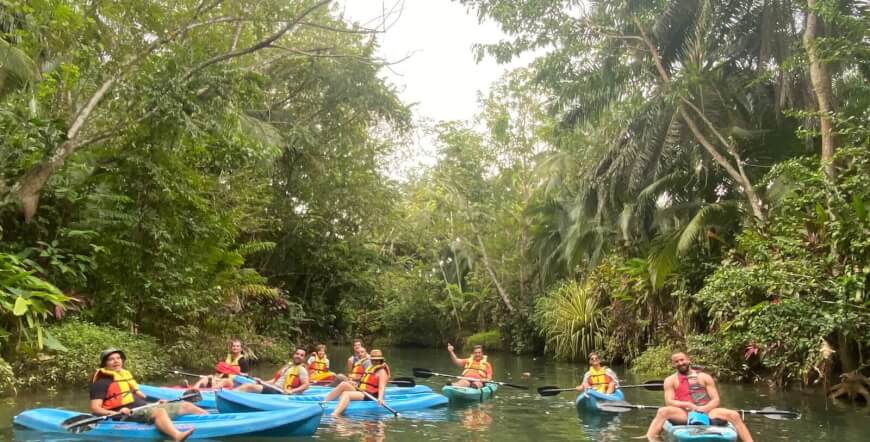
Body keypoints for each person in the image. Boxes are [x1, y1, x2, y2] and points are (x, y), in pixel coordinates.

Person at [90, 348, 207, 442]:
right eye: (111, 359)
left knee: (186, 405)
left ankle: (214, 419)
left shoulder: (123, 377)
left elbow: (138, 396)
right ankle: (177, 436)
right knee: (159, 412)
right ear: (105, 363)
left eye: (118, 358)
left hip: (143, 408)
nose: (116, 361)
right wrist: (116, 413)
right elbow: (95, 408)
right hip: (124, 414)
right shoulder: (101, 383)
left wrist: (156, 402)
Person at [646, 352, 754, 442]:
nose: (680, 363)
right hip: (684, 413)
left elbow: (716, 400)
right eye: (676, 362)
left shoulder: (704, 377)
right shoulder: (670, 380)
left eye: (682, 360)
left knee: (734, 415)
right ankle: (651, 437)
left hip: (707, 411)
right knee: (662, 411)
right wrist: (687, 405)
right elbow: (669, 402)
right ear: (673, 365)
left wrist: (704, 408)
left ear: (688, 360)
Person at [323, 349, 390, 416]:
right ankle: (324, 402)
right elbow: (365, 381)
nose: (375, 362)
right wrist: (356, 384)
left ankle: (335, 414)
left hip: (371, 395)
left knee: (346, 394)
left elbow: (382, 386)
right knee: (344, 384)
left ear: (380, 360)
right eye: (373, 360)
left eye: (377, 360)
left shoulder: (382, 371)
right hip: (363, 391)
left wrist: (380, 398)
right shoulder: (370, 368)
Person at [235, 348, 310, 394]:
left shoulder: (301, 369)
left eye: (301, 355)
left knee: (248, 387)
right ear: (293, 355)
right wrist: (262, 381)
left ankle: (228, 396)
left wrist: (292, 391)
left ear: (304, 358)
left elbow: (306, 385)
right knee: (247, 384)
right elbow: (274, 380)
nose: (298, 356)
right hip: (274, 388)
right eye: (297, 354)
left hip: (281, 392)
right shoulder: (288, 366)